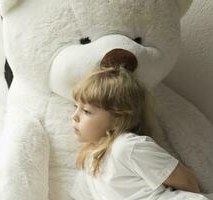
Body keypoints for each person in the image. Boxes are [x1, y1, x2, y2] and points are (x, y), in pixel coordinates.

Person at [70, 65, 209, 200]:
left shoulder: (127, 147)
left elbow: (189, 183)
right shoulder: (89, 159)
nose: (74, 116)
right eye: (76, 107)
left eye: (86, 111)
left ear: (117, 119)